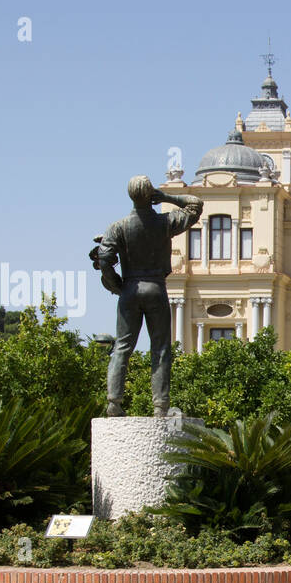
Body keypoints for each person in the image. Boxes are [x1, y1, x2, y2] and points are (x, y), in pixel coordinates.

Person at [92, 175, 203, 417]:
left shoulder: (117, 227)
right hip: (155, 287)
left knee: (122, 347)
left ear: (130, 196)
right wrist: (165, 197)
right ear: (149, 195)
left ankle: (114, 402)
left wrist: (116, 285)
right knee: (160, 348)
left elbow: (104, 259)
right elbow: (195, 206)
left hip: (130, 288)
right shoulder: (164, 223)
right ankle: (160, 406)